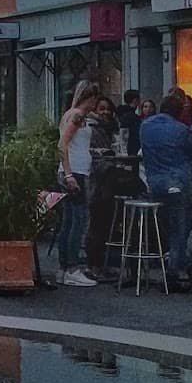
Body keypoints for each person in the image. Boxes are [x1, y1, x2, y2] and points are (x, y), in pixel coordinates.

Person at [141, 91, 192, 288]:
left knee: (167, 225)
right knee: (180, 227)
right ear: (179, 113)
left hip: (155, 182)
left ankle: (183, 262)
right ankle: (175, 271)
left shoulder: (145, 126)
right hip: (178, 182)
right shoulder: (181, 129)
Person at [54, 81, 100, 287]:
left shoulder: (70, 114)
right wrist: (70, 173)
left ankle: (63, 267)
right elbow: (62, 143)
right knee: (78, 220)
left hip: (69, 170)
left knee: (68, 221)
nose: (95, 104)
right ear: (88, 98)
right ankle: (72, 267)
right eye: (94, 99)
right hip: (76, 171)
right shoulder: (78, 116)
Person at [84, 95, 123, 281]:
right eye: (102, 108)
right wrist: (110, 161)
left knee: (106, 224)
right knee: (97, 225)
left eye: (108, 108)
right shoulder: (92, 129)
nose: (106, 112)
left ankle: (102, 264)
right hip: (97, 182)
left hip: (108, 181)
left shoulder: (111, 129)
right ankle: (94, 265)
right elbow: (91, 155)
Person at [116, 89, 143, 154]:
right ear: (135, 100)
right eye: (139, 99)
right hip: (131, 151)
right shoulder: (131, 117)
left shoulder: (120, 114)